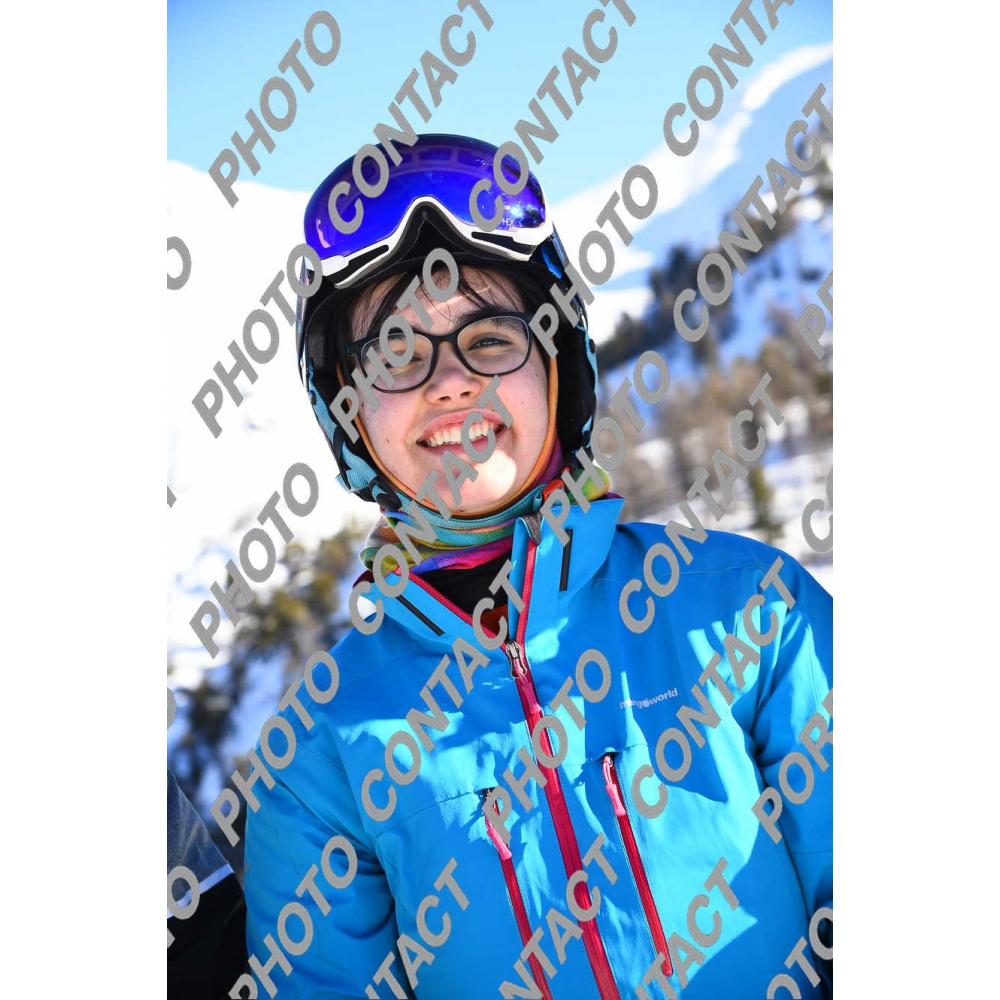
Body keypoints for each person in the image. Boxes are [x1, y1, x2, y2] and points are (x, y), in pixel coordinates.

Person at [242, 134, 832, 1000]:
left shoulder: (754, 616)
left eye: (489, 339)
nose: (450, 382)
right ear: (349, 414)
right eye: (397, 353)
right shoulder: (319, 758)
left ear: (559, 366)